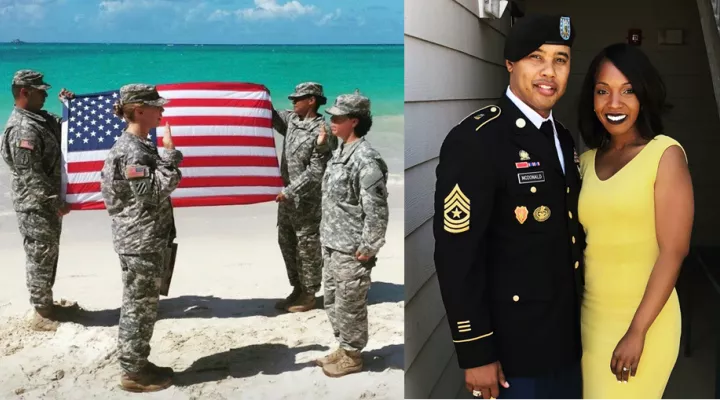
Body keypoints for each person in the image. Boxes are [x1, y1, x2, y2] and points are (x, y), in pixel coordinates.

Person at [433, 14, 585, 400]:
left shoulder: (563, 138)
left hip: (565, 341)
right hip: (511, 351)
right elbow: (457, 256)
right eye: (536, 57)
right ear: (510, 64)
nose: (549, 72)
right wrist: (475, 352)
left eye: (561, 59)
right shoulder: (477, 141)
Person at [576, 43, 693, 399]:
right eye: (603, 91)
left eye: (627, 91)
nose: (614, 103)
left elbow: (674, 251)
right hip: (590, 319)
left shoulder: (665, 155)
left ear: (644, 95)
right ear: (592, 99)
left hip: (645, 323)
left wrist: (637, 331)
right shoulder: (586, 161)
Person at [100, 84, 181, 392]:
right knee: (139, 306)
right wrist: (171, 156)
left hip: (141, 237)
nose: (162, 111)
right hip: (140, 240)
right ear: (139, 111)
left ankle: (137, 363)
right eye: (156, 106)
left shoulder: (139, 145)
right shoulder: (132, 149)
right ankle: (134, 372)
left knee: (141, 304)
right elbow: (150, 195)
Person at [316, 90, 389, 377]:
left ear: (354, 121)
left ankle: (353, 355)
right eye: (332, 116)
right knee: (333, 300)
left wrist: (369, 246)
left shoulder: (366, 159)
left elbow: (377, 210)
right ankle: (344, 347)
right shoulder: (340, 152)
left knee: (350, 304)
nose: (332, 121)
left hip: (352, 248)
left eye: (338, 117)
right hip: (333, 243)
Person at [0, 69, 78, 331]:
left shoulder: (39, 118)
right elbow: (30, 175)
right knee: (40, 254)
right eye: (41, 91)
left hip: (46, 202)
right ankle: (42, 312)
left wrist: (70, 105)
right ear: (25, 92)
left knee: (48, 252)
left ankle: (48, 304)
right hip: (36, 204)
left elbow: (65, 127)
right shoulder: (22, 129)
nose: (45, 95)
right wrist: (55, 202)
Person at [271, 82, 334, 313]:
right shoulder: (291, 121)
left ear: (312, 100)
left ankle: (309, 294)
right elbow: (267, 113)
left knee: (306, 246)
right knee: (286, 242)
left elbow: (317, 172)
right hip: (286, 200)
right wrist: (257, 95)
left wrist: (290, 191)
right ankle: (296, 288)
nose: (293, 102)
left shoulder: (323, 130)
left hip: (306, 201)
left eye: (298, 98)